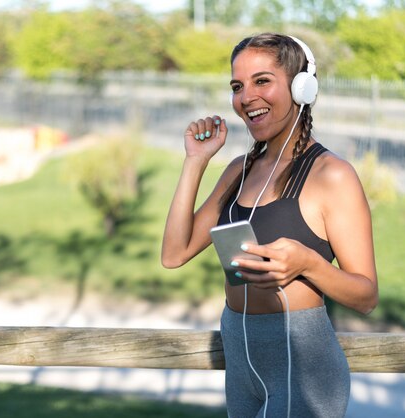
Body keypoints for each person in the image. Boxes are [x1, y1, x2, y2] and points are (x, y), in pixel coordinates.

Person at [161, 33, 378, 418]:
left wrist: (309, 264)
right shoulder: (237, 171)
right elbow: (174, 254)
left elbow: (366, 296)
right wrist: (195, 162)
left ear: (301, 87)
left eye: (262, 81)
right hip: (242, 365)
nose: (246, 97)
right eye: (237, 86)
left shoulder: (333, 175)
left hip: (305, 372)